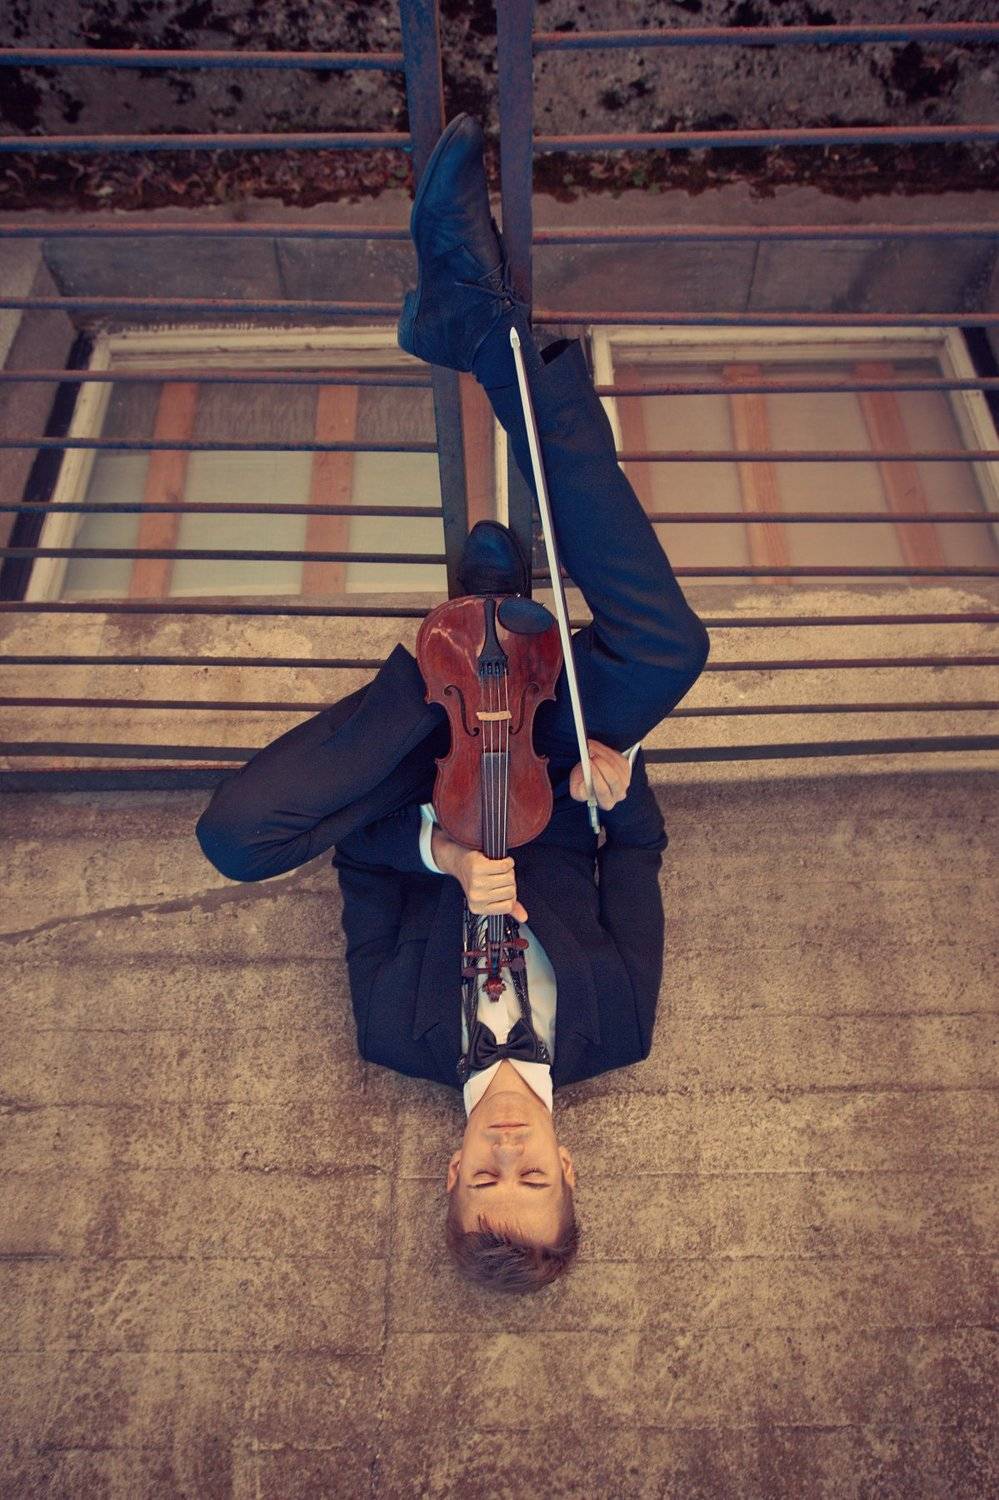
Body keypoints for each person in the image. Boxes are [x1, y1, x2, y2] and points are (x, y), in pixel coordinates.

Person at [195, 114, 709, 1294]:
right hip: (550, 746)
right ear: (570, 1169)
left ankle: (460, 642)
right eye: (533, 1177)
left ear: (450, 1172)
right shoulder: (619, 1024)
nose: (508, 1154)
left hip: (422, 748)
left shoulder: (393, 1029)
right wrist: (617, 783)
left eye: (487, 1176)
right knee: (671, 651)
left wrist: (441, 848)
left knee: (234, 841)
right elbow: (636, 854)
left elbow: (360, 864)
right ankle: (490, 341)